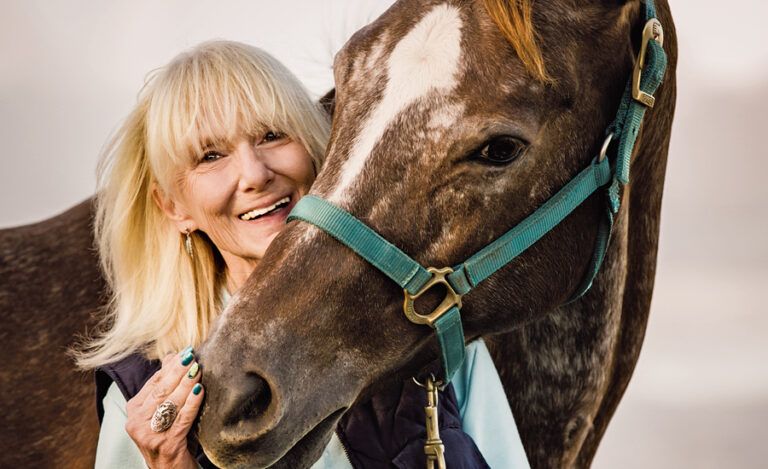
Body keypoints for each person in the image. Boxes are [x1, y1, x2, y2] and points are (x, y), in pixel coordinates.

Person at [75, 40, 529, 469]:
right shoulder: (144, 395)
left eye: (272, 135)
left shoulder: (426, 323)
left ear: (316, 150)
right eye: (210, 156)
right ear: (174, 207)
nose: (254, 173)